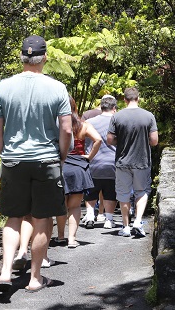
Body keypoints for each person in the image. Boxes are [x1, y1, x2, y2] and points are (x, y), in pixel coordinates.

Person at [0, 35, 72, 293]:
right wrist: (61, 155)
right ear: (44, 58)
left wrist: (6, 152)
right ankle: (35, 278)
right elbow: (67, 129)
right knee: (41, 217)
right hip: (45, 159)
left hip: (13, 159)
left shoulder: (2, 87)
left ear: (22, 57)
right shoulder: (57, 87)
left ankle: (5, 271)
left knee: (14, 217)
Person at [107, 87, 158, 236]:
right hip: (142, 161)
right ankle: (138, 221)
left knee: (123, 194)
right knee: (141, 191)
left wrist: (122, 141)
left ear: (124, 99)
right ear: (138, 98)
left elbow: (110, 140)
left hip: (122, 162)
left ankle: (126, 227)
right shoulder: (148, 116)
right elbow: (154, 141)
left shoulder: (117, 117)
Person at [55, 97, 102, 248]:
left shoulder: (57, 126)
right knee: (74, 206)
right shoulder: (84, 125)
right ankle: (72, 239)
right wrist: (89, 156)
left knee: (61, 204)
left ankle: (60, 236)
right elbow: (98, 140)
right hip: (78, 168)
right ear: (75, 107)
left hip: (61, 166)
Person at [83, 95, 118, 229]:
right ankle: (108, 219)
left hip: (93, 161)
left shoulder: (90, 122)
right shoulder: (117, 121)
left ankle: (90, 216)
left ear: (101, 107)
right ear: (114, 108)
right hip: (113, 162)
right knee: (110, 192)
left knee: (92, 191)